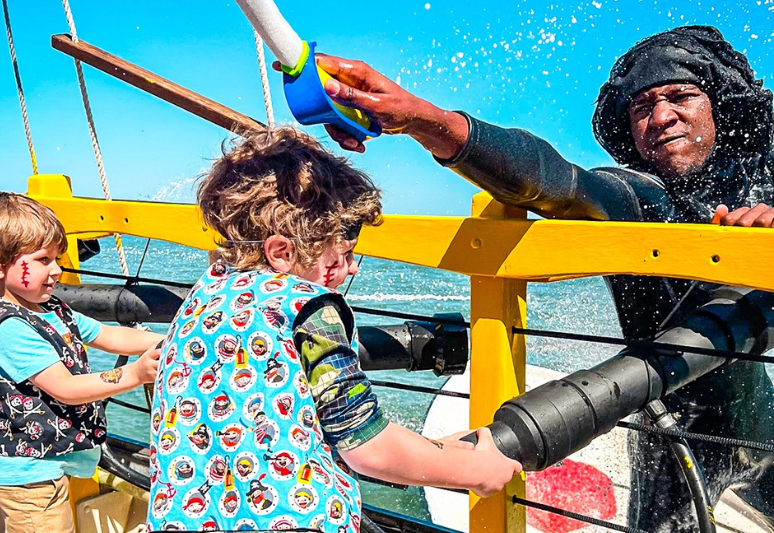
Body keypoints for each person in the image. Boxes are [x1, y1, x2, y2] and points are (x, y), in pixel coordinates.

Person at [296, 25, 774, 532]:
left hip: (758, 418)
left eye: (680, 96)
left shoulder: (760, 182)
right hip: (660, 418)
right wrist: (424, 120)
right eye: (641, 108)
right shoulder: (640, 200)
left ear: (719, 105)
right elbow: (563, 183)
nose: (660, 117)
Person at [147, 128, 522, 532]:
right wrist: (473, 469)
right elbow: (366, 443)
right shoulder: (307, 306)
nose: (352, 268)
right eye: (343, 255)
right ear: (282, 252)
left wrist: (438, 447)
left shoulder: (206, 293)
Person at [0, 192, 164, 533]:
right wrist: (135, 372)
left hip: (52, 461)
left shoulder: (52, 310)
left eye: (57, 258)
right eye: (43, 259)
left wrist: (171, 343)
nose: (57, 270)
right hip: (29, 476)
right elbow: (67, 389)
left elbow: (109, 336)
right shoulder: (10, 328)